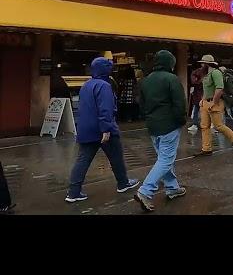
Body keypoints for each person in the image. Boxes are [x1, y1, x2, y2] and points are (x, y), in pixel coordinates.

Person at [65, 57, 139, 203]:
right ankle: (123, 183)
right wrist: (106, 129)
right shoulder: (104, 86)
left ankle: (73, 192)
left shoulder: (86, 85)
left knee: (82, 160)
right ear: (105, 70)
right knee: (116, 157)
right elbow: (106, 110)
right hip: (103, 129)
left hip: (86, 129)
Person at [134, 50, 187, 212]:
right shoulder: (172, 79)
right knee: (165, 160)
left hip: (152, 126)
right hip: (169, 125)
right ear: (170, 63)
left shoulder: (145, 80)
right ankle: (145, 191)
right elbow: (179, 103)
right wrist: (181, 120)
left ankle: (172, 188)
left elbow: (141, 104)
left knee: (163, 158)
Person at [195, 55, 233, 156]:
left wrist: (213, 102)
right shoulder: (206, 74)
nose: (201, 65)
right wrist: (202, 100)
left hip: (215, 102)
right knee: (204, 126)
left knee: (218, 126)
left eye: (203, 63)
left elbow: (219, 88)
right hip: (205, 103)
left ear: (207, 64)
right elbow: (206, 89)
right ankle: (206, 149)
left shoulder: (216, 73)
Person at [187, 63, 206, 133]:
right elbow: (194, 81)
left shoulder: (210, 72)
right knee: (196, 109)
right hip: (198, 94)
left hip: (205, 94)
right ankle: (195, 124)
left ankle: (206, 123)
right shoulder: (196, 72)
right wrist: (201, 80)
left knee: (206, 110)